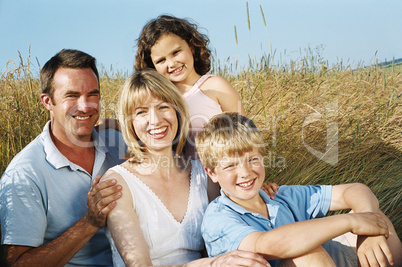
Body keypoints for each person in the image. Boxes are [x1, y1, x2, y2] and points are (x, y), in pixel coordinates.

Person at [101, 69, 270, 267]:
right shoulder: (117, 182)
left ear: (177, 112)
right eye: (141, 112)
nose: (155, 120)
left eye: (163, 107)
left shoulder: (203, 175)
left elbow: (226, 238)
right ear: (130, 123)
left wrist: (262, 192)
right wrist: (212, 264)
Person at [195, 112, 402, 267]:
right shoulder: (217, 218)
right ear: (212, 173)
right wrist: (352, 221)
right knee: (304, 254)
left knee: (378, 219)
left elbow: (354, 190)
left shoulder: (278, 195)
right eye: (230, 165)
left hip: (334, 259)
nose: (245, 172)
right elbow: (268, 244)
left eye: (253, 160)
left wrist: (368, 229)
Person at [0, 49, 126, 266]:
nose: (85, 105)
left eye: (93, 94)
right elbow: (17, 263)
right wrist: (89, 222)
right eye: (72, 95)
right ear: (47, 101)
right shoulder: (24, 174)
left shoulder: (118, 143)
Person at [134, 15, 246, 159]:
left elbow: (246, 133)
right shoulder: (160, 99)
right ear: (153, 66)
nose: (172, 63)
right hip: (183, 177)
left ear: (191, 47)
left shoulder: (215, 86)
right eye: (161, 60)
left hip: (226, 174)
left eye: (176, 52)